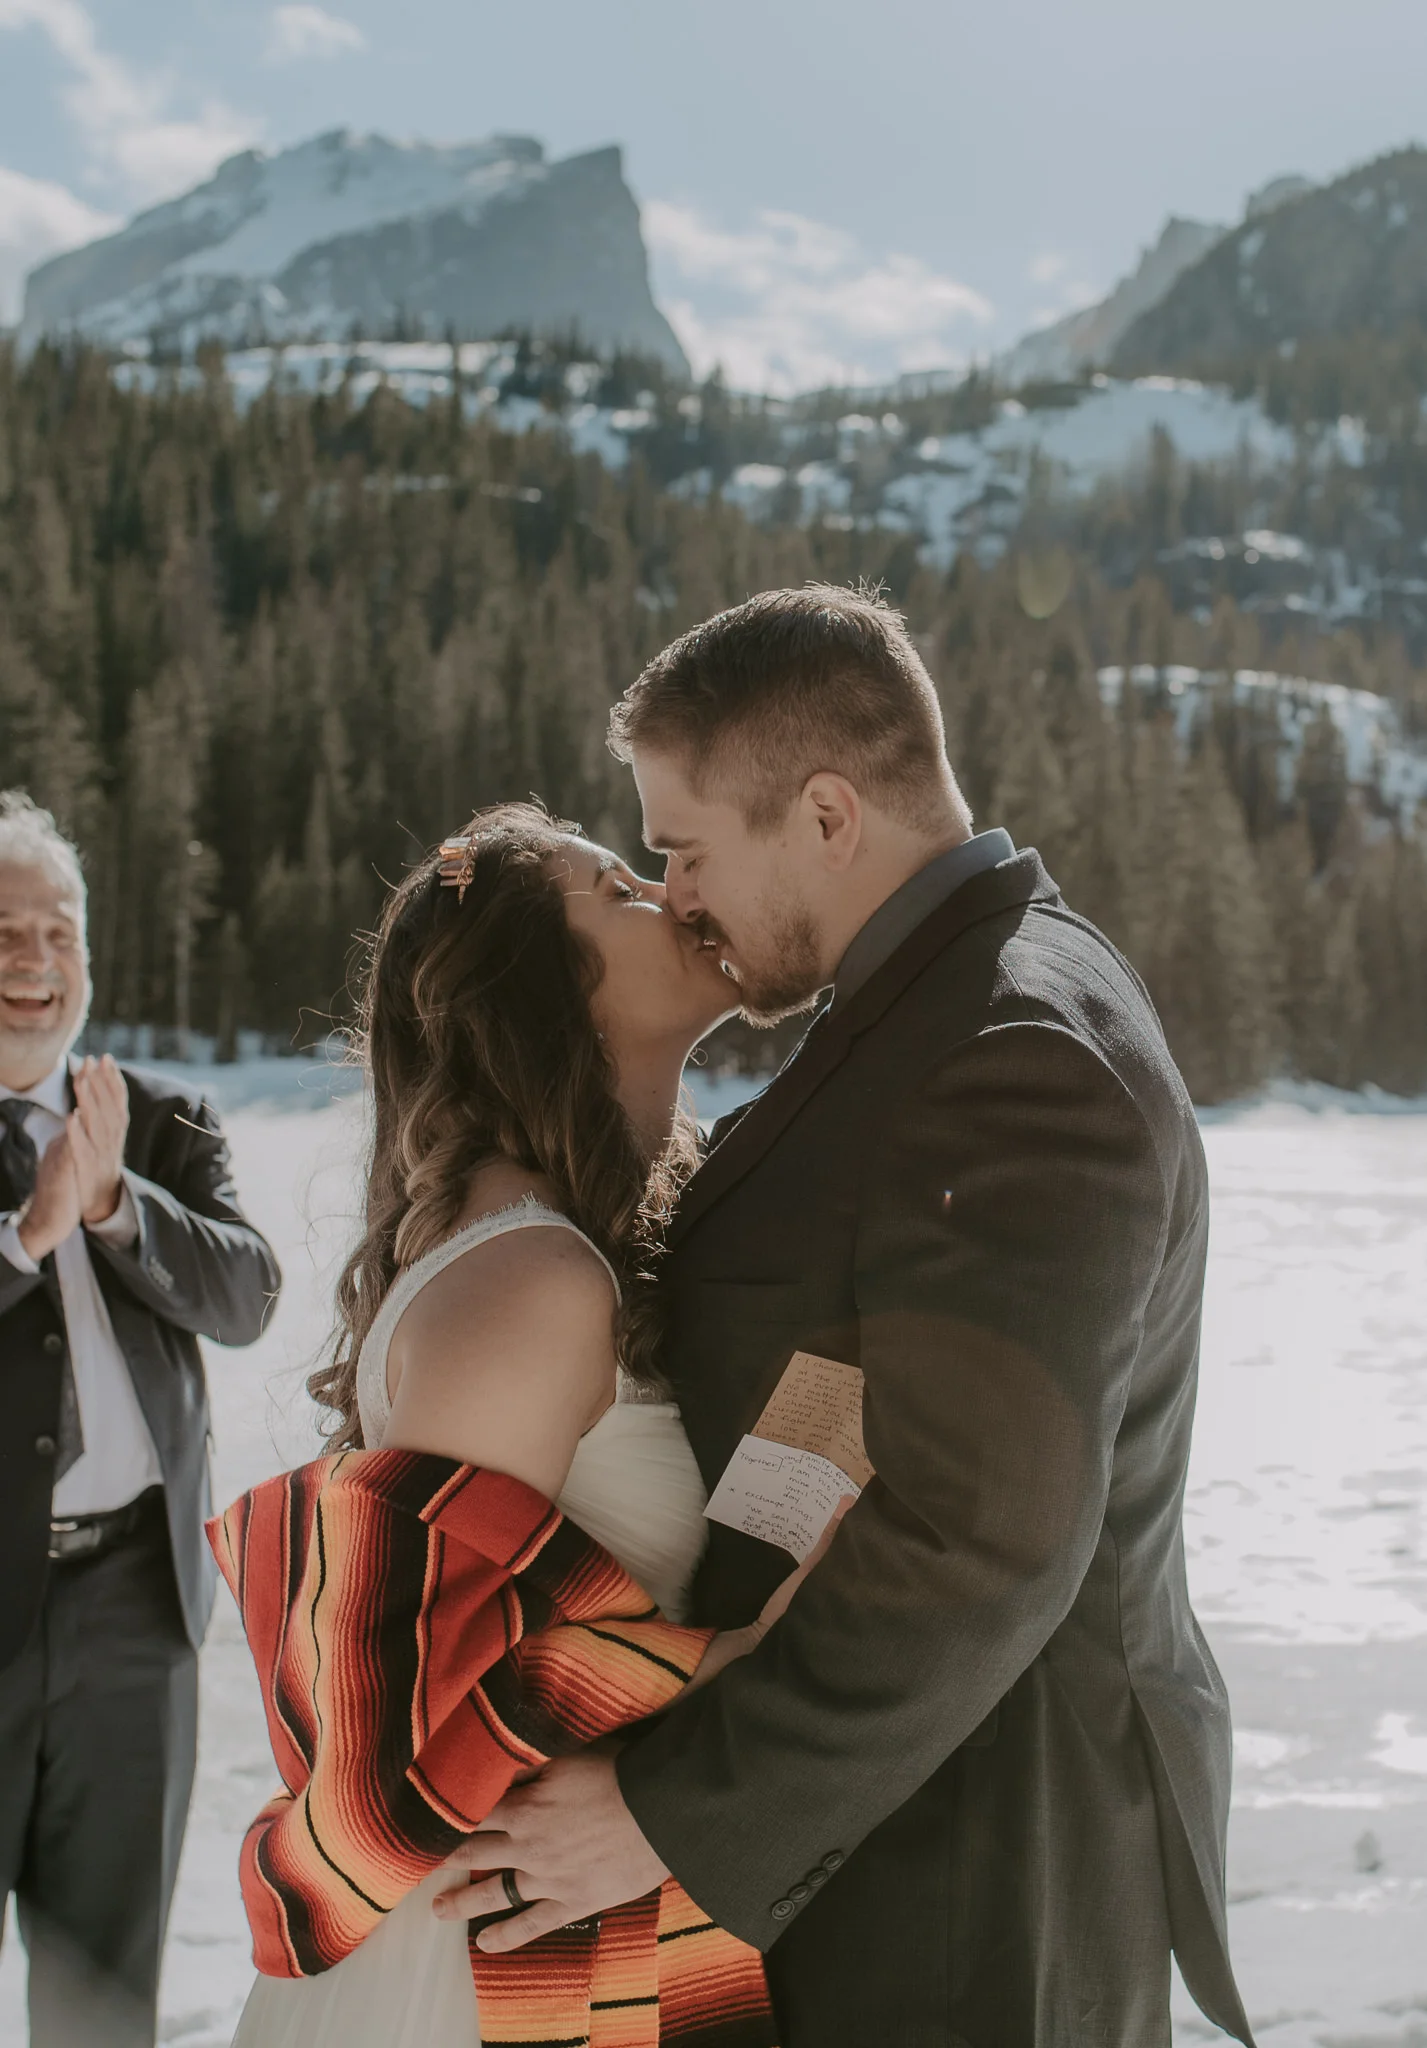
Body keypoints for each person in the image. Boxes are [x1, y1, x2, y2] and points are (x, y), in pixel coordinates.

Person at [440, 585, 1257, 2048]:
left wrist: (666, 1814)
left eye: (684, 850)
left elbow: (978, 1537)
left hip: (971, 1872)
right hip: (879, 1834)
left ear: (824, 813)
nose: (675, 893)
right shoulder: (924, 1004)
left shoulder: (1016, 1051)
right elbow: (853, 1380)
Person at [224, 800, 827, 2047]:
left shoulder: (584, 1249)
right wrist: (767, 1644)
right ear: (534, 991)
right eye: (616, 889)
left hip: (546, 1933)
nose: (674, 890)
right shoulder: (536, 1283)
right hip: (469, 1978)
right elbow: (414, 1724)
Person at [0, 790, 282, 2048]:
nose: (37, 964)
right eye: (5, 934)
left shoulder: (163, 1118)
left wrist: (116, 1204)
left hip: (134, 1611)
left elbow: (247, 1291)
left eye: (59, 934)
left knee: (103, 1996)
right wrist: (26, 1235)